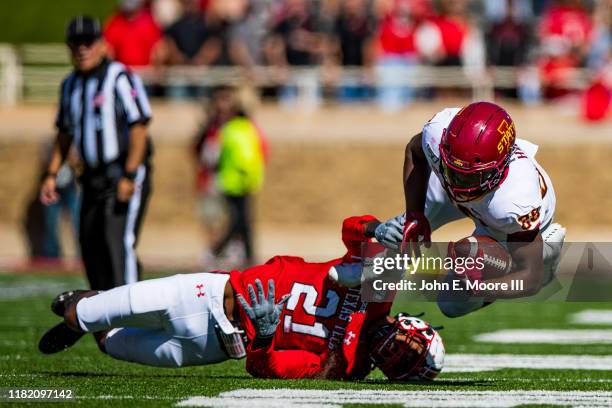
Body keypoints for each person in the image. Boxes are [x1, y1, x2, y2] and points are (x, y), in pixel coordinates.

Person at [38, 215, 445, 381]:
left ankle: (87, 319)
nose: (397, 353)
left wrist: (266, 334)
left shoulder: (349, 368)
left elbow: (264, 368)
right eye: (410, 348)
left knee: (111, 345)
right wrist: (379, 229)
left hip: (211, 345)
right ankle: (81, 310)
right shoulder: (381, 284)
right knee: (79, 313)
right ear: (415, 326)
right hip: (210, 292)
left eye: (403, 363)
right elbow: (351, 228)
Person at [374, 101, 566, 318]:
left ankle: (547, 254)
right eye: (455, 170)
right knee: (399, 235)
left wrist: (479, 288)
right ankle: (373, 321)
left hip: (496, 215)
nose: (461, 183)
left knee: (451, 303)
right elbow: (415, 150)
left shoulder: (513, 201)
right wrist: (414, 215)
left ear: (501, 166)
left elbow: (530, 278)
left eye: (472, 175)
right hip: (457, 184)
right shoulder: (438, 133)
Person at [39, 16, 153, 291]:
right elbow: (64, 133)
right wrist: (51, 174)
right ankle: (106, 325)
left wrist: (128, 174)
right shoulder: (70, 85)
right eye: (76, 43)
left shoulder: (119, 77)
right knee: (90, 247)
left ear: (102, 44)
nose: (82, 48)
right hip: (91, 178)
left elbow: (139, 128)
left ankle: (133, 317)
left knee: (118, 244)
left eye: (88, 42)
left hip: (121, 173)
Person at [104, 0, 163, 67]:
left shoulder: (151, 22)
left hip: (147, 73)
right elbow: (108, 50)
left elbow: (159, 50)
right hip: (123, 72)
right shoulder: (114, 23)